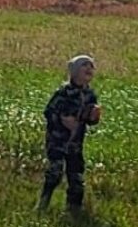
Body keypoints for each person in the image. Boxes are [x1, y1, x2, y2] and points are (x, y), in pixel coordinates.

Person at [39, 54, 100, 212]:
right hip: (57, 140)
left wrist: (93, 118)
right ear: (74, 71)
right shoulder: (64, 92)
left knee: (76, 176)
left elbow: (89, 118)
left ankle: (74, 209)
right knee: (55, 172)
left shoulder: (90, 95)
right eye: (84, 66)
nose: (89, 69)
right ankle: (43, 202)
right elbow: (49, 112)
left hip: (75, 143)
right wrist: (62, 120)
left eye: (91, 67)